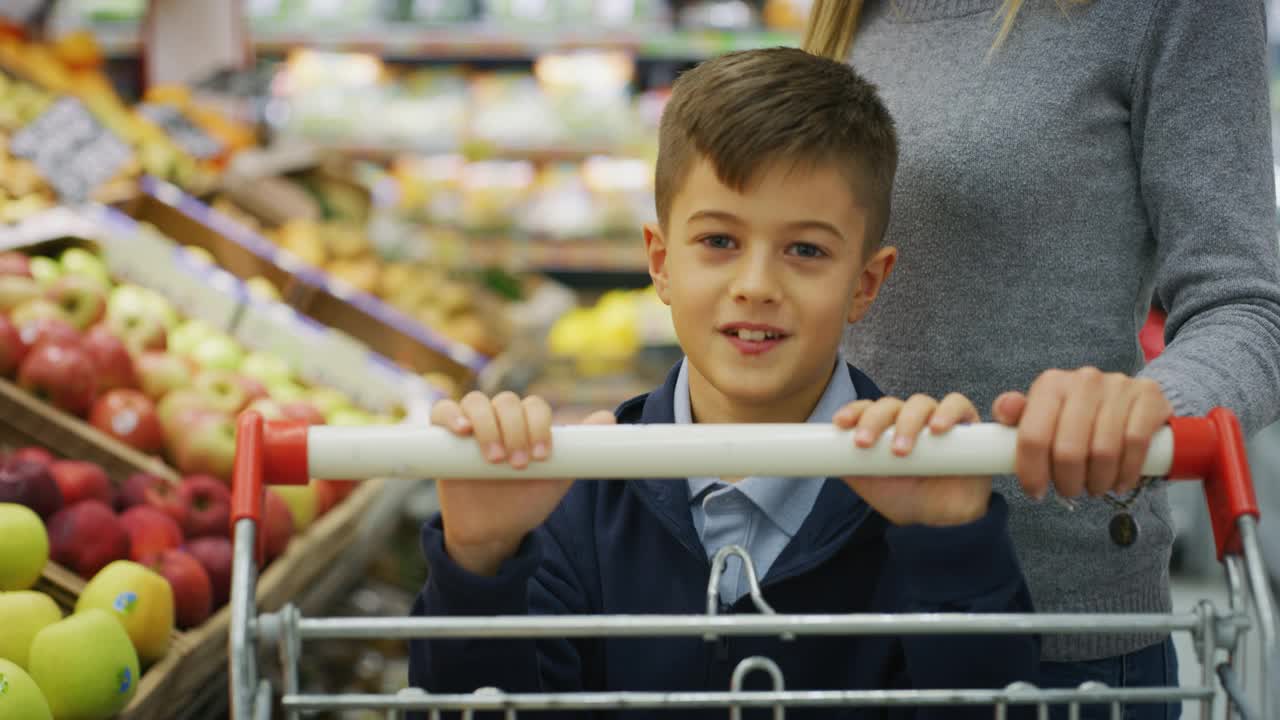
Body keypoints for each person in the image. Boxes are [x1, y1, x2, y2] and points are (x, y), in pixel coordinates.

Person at [408, 47, 1043, 718]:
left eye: (806, 250)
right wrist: (477, 562)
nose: (756, 286)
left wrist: (952, 549)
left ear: (865, 284)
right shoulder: (573, 502)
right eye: (718, 241)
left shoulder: (924, 494)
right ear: (660, 262)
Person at [802, 2, 1280, 718]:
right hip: (817, 614)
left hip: (1056, 637)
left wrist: (1147, 407)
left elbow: (1248, 307)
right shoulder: (845, 14)